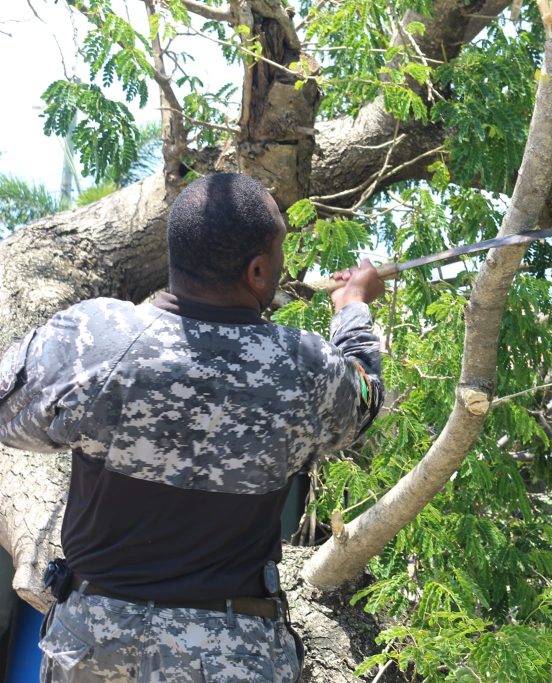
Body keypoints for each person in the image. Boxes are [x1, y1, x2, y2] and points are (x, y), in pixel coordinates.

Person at [0, 173, 386, 682]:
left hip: (93, 647)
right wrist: (353, 305)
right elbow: (364, 399)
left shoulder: (94, 337)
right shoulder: (304, 368)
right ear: (257, 271)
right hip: (231, 655)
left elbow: (9, 416)